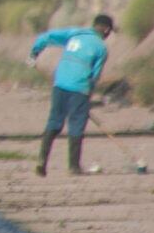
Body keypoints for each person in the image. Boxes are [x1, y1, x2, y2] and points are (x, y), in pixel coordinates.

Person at [29, 14, 115, 176]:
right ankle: (73, 167)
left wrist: (34, 53)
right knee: (76, 125)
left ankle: (41, 161)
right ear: (106, 30)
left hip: (60, 84)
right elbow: (94, 76)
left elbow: (46, 37)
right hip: (80, 87)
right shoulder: (101, 49)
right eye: (109, 32)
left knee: (54, 122)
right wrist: (87, 97)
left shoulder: (75, 34)